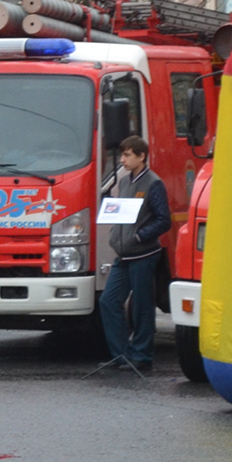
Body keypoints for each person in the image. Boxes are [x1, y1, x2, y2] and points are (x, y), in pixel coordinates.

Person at [97, 135, 171, 372]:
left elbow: (164, 220)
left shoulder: (153, 183)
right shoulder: (125, 181)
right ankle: (122, 355)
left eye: (128, 155)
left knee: (141, 307)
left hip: (143, 254)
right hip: (124, 255)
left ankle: (142, 356)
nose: (123, 160)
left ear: (141, 156)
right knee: (108, 301)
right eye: (122, 155)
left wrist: (140, 236)